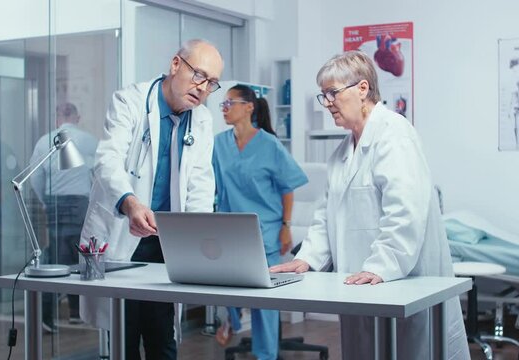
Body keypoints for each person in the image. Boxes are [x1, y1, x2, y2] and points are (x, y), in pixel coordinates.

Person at [270, 50, 470, 360]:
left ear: (362, 89)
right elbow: (327, 217)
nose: (328, 103)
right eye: (324, 96)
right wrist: (307, 258)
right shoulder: (341, 153)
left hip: (401, 284)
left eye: (332, 93)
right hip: (361, 285)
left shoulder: (394, 135)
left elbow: (405, 213)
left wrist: (380, 265)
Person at [79, 39, 223, 360]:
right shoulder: (130, 101)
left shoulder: (201, 120)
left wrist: (199, 241)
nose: (203, 89)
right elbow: (106, 160)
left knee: (162, 340)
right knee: (124, 338)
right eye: (199, 75)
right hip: (123, 236)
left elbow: (200, 186)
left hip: (168, 246)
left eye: (212, 83)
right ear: (175, 65)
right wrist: (130, 203)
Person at [211, 85, 308, 360]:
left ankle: (266, 355)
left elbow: (287, 187)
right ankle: (231, 318)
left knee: (264, 299)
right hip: (229, 226)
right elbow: (213, 185)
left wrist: (286, 226)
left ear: (249, 107)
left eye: (231, 102)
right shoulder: (218, 144)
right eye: (223, 104)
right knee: (223, 282)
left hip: (264, 228)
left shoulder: (269, 144)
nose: (225, 108)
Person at [30, 102, 98, 329]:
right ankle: (77, 313)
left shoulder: (44, 141)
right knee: (81, 258)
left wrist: (45, 202)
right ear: (76, 117)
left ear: (57, 118)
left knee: (56, 260)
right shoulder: (89, 141)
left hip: (55, 203)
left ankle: (48, 316)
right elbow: (100, 174)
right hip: (80, 205)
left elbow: (35, 178)